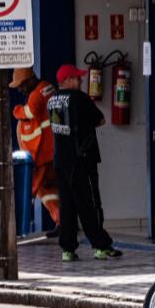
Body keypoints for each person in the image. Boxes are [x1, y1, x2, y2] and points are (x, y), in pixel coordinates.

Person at [47, 64, 121, 262]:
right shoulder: (79, 98)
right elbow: (100, 120)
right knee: (88, 204)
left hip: (61, 160)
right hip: (81, 160)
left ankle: (68, 249)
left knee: (67, 206)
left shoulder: (52, 100)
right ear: (68, 80)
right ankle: (100, 246)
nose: (80, 81)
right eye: (77, 78)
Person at [10, 68, 61, 237]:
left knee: (30, 189)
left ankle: (17, 227)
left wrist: (16, 110)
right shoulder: (48, 87)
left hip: (43, 153)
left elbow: (29, 112)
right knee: (48, 190)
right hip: (53, 151)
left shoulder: (37, 94)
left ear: (30, 80)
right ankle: (61, 221)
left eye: (21, 86)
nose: (20, 90)